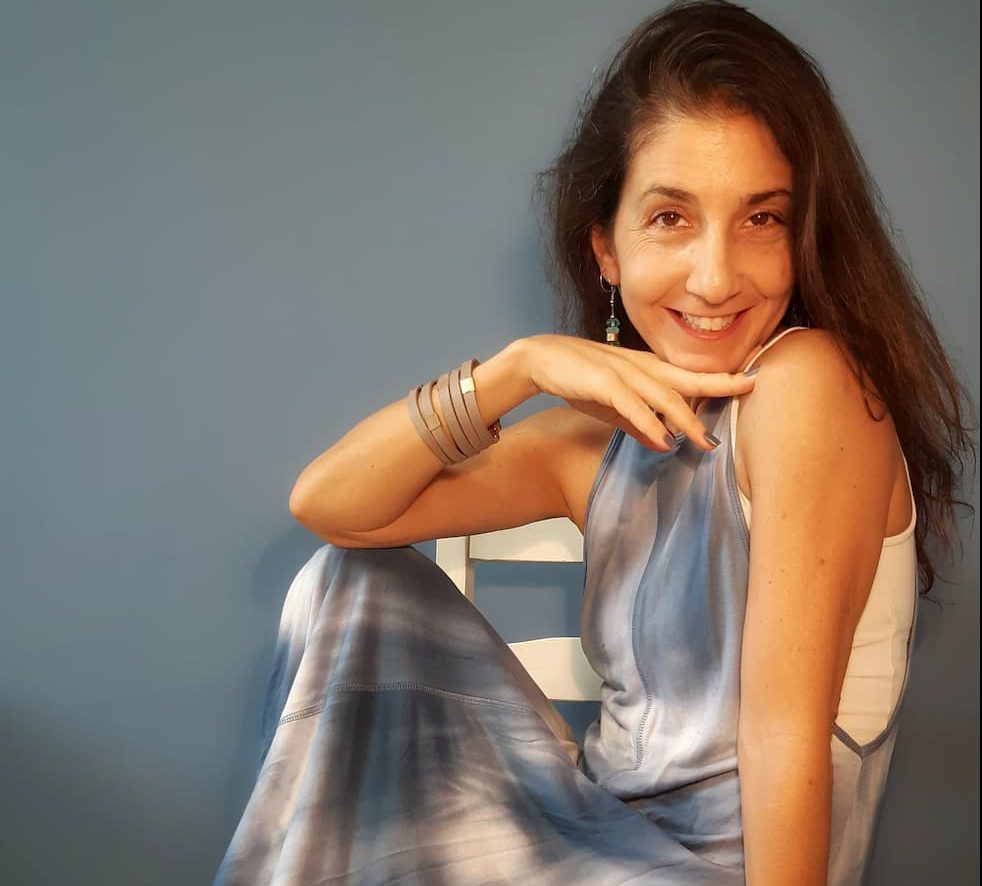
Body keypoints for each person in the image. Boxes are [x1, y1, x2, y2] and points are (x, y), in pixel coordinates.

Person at [214, 2, 975, 884]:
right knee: (349, 582)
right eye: (671, 218)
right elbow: (331, 507)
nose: (716, 276)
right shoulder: (596, 446)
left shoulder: (808, 384)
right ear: (605, 251)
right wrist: (519, 369)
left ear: (803, 240)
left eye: (761, 219)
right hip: (589, 843)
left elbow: (781, 733)